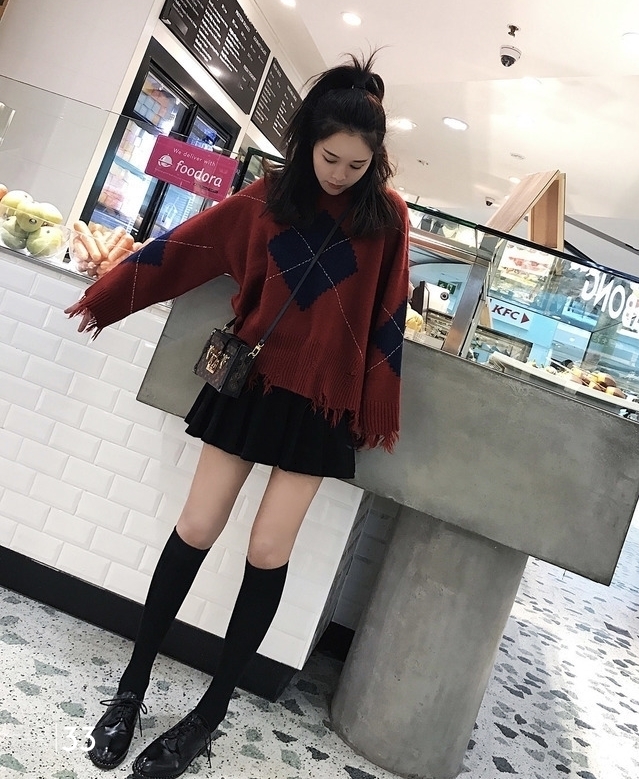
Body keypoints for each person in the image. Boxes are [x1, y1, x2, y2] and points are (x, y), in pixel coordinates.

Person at [64, 53, 410, 779]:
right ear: (308, 139)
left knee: (267, 550)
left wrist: (378, 398)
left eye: (358, 164)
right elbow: (185, 249)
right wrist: (109, 293)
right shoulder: (268, 197)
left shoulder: (387, 217)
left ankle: (211, 712)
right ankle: (132, 687)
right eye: (330, 158)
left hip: (323, 401)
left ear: (376, 158)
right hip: (250, 382)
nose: (341, 174)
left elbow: (388, 315)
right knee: (196, 527)